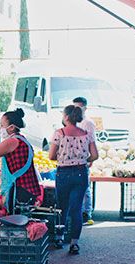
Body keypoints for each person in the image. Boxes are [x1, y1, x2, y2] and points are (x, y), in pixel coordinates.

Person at [49, 105, 99, 255]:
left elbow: (51, 156)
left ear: (66, 117)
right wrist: (83, 159)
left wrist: (65, 158)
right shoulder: (86, 134)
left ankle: (59, 237)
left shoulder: (59, 134)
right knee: (76, 208)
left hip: (63, 173)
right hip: (81, 173)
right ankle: (74, 244)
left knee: (62, 207)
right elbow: (95, 155)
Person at [72, 97, 96, 225]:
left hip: (83, 159)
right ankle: (78, 213)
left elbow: (92, 142)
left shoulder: (88, 123)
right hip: (72, 161)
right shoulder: (71, 122)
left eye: (79, 108)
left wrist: (90, 158)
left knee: (85, 187)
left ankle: (87, 214)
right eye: (74, 107)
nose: (76, 110)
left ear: (85, 108)